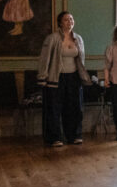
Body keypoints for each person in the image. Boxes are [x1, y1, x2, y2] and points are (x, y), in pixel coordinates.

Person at [37, 11, 90, 146]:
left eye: (71, 19)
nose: (70, 22)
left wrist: (83, 77)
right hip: (56, 77)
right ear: (60, 23)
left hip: (73, 77)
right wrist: (42, 77)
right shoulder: (52, 38)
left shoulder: (78, 39)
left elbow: (81, 60)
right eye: (66, 20)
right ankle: (55, 138)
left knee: (74, 107)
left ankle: (74, 135)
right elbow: (45, 59)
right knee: (54, 109)